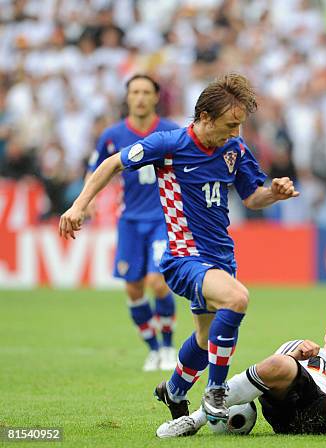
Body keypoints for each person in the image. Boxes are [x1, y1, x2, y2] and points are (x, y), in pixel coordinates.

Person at [59, 73, 300, 424]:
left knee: (205, 338)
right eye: (230, 125)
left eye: (240, 126)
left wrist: (273, 194)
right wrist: (79, 206)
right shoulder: (168, 145)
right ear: (204, 117)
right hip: (184, 255)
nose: (235, 133)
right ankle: (217, 391)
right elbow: (112, 163)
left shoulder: (234, 149)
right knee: (237, 299)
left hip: (221, 256)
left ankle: (172, 389)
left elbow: (252, 198)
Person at [155, 307, 326, 437]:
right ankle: (192, 420)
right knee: (283, 364)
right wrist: (297, 355)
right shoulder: (304, 348)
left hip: (325, 410)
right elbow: (271, 370)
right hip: (288, 402)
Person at [87, 74, 180, 372]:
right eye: (134, 92)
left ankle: (168, 347)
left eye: (145, 92)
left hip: (162, 219)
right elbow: (96, 170)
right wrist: (85, 201)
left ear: (156, 97)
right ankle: (153, 349)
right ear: (127, 97)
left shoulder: (171, 132)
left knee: (157, 282)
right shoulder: (112, 135)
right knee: (133, 289)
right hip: (129, 221)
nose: (139, 97)